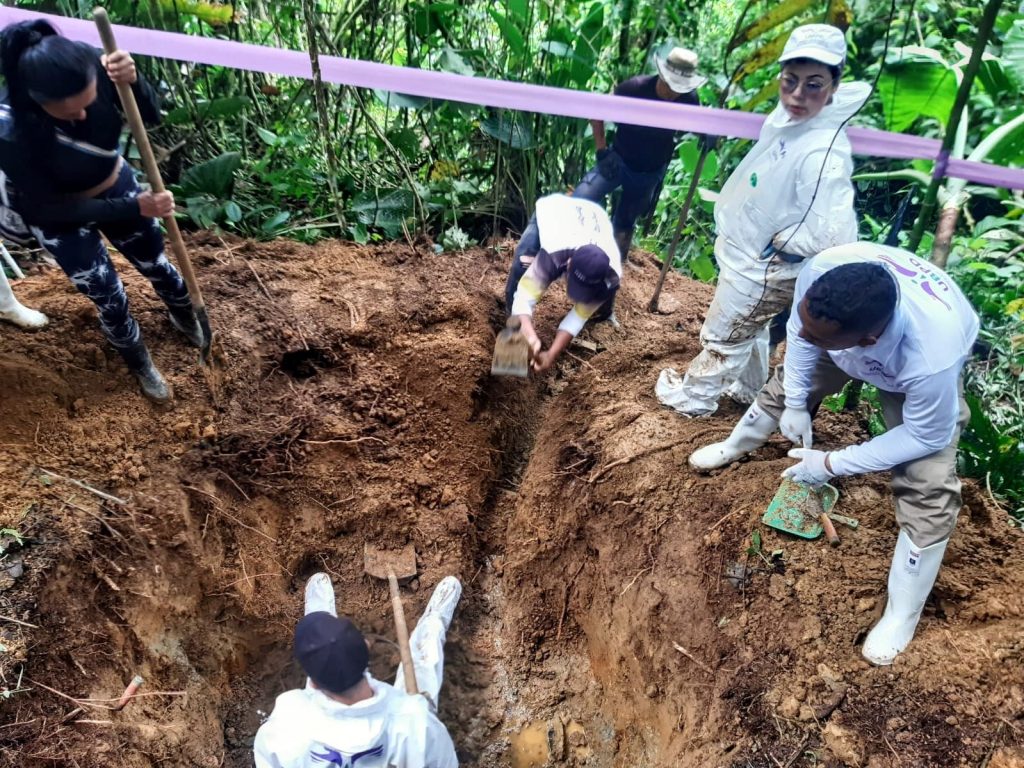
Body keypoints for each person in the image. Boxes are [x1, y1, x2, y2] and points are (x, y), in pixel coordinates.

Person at [689, 242, 979, 666]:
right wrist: (794, 401)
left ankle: (902, 613)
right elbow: (803, 334)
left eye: (818, 333)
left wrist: (831, 463)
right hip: (843, 335)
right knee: (785, 386)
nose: (802, 335)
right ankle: (735, 446)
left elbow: (924, 436)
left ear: (863, 340)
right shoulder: (824, 275)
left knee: (927, 486)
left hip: (908, 374)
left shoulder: (931, 357)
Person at [656, 24, 869, 416]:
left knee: (727, 331)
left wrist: (786, 244)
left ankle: (695, 399)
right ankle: (747, 387)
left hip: (767, 265)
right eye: (791, 80)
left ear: (834, 86)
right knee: (749, 328)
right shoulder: (793, 121)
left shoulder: (824, 151)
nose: (798, 94)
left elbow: (835, 232)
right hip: (753, 250)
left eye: (814, 84)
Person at [0, 20, 203, 402]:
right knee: (106, 292)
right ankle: (139, 359)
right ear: (36, 99)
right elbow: (48, 207)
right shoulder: (9, 130)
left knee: (155, 263)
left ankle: (186, 315)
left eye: (86, 104)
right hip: (58, 215)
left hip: (115, 183)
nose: (81, 118)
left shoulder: (96, 66)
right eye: (68, 113)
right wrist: (133, 205)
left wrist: (134, 81)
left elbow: (150, 116)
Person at [254, 572, 462, 768]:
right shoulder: (414, 722)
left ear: (313, 682)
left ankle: (321, 620)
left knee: (321, 644)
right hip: (410, 727)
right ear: (367, 646)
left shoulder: (288, 722)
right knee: (422, 669)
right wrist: (419, 714)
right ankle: (433, 624)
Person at [504, 193, 621, 372]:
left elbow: (578, 317)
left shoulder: (611, 276)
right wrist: (526, 330)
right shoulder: (555, 251)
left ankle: (605, 314)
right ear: (568, 264)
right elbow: (525, 295)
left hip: (595, 217)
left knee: (602, 301)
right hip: (554, 211)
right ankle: (511, 322)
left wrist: (552, 354)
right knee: (522, 264)